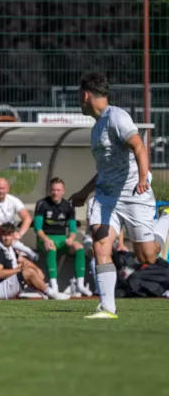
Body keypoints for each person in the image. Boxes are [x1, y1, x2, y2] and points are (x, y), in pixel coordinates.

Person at [68, 72, 169, 319]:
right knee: (100, 244)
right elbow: (105, 170)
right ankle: (107, 308)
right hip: (106, 197)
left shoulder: (117, 117)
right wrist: (84, 192)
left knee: (147, 256)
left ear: (85, 95)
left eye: (79, 97)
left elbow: (139, 146)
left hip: (135, 194)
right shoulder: (96, 128)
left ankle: (165, 219)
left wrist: (144, 178)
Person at [34, 177, 91, 296]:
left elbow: (72, 229)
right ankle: (53, 284)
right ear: (50, 191)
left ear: (63, 191)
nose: (55, 193)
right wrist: (45, 239)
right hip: (45, 238)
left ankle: (80, 284)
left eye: (58, 190)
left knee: (79, 247)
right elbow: (38, 228)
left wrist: (70, 238)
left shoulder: (68, 206)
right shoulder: (42, 204)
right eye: (53, 190)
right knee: (51, 247)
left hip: (61, 238)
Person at [0, 223, 70, 300]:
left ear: (13, 236)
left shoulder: (9, 249)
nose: (6, 238)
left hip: (5, 286)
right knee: (27, 272)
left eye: (9, 235)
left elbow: (23, 260)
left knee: (28, 270)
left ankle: (45, 293)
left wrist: (37, 270)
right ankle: (52, 294)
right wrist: (19, 270)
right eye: (3, 235)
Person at [0, 178, 39, 262]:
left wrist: (19, 234)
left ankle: (18, 249)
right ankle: (26, 250)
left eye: (2, 188)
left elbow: (27, 218)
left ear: (7, 189)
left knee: (29, 268)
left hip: (11, 238)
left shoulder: (13, 200)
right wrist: (7, 233)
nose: (0, 191)